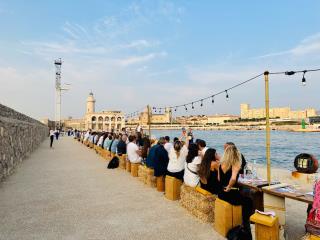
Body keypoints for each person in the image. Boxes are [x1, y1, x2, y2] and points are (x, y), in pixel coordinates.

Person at [218, 145, 253, 236]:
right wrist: (229, 186)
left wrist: (226, 185)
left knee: (245, 198)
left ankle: (243, 221)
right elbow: (233, 179)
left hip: (221, 193)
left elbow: (219, 179)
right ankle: (246, 223)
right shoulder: (235, 165)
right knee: (249, 201)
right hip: (230, 194)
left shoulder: (221, 164)